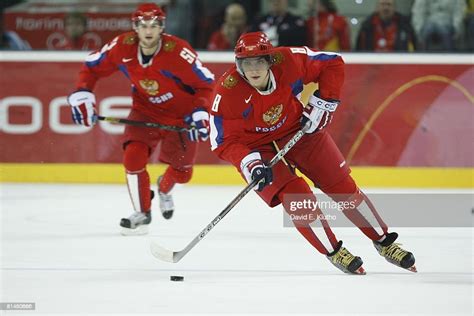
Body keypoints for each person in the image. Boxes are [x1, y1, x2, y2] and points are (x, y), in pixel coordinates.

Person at [209, 31, 416, 274]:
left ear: (270, 61)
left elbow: (332, 62)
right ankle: (335, 251)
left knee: (341, 186)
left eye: (259, 62)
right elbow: (222, 141)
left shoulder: (289, 60)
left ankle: (385, 242)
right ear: (238, 65)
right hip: (256, 148)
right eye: (246, 63)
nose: (253, 69)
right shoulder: (227, 92)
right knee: (298, 198)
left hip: (299, 129)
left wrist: (325, 101)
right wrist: (249, 163)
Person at [68, 3, 215, 235]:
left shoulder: (178, 52)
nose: (149, 31)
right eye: (143, 25)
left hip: (181, 117)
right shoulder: (122, 46)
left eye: (154, 25)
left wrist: (200, 111)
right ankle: (142, 212)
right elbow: (92, 67)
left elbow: (206, 84)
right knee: (132, 159)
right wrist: (82, 91)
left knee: (183, 173)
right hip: (145, 111)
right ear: (135, 27)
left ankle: (164, 189)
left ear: (162, 28)